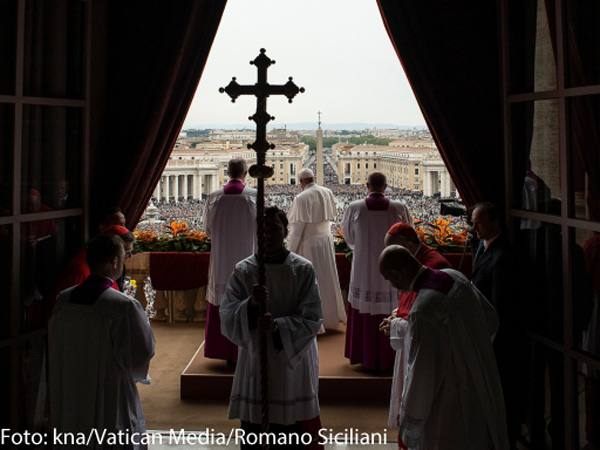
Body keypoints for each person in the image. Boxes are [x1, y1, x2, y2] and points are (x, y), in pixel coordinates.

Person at [379, 245, 509, 450]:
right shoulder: (455, 277)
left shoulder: (423, 311)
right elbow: (491, 318)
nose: (393, 286)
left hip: (450, 398)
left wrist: (408, 417)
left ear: (397, 273)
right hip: (481, 376)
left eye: (390, 279)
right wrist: (474, 352)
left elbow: (422, 376)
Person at [220, 207, 323, 449]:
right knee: (256, 430)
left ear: (286, 231)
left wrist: (278, 327)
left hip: (289, 362)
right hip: (256, 357)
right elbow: (226, 316)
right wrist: (251, 305)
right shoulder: (244, 270)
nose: (268, 234)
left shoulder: (302, 269)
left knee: (289, 433)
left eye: (275, 229)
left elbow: (313, 317)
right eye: (263, 229)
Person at [48, 234, 155, 449]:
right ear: (114, 261)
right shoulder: (122, 306)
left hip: (71, 384)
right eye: (123, 258)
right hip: (109, 388)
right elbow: (141, 352)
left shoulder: (64, 299)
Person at [379, 222, 451, 429]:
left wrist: (396, 325)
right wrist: (396, 315)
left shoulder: (434, 265)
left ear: (409, 245)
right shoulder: (416, 261)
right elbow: (410, 302)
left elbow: (426, 318)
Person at [341, 172, 413, 370]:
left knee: (365, 304)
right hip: (394, 267)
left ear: (367, 186)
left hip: (363, 268)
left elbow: (348, 237)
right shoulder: (400, 208)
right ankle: (391, 357)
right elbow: (409, 234)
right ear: (386, 186)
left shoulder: (354, 208)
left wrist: (363, 249)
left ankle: (365, 355)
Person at [470, 201, 521, 449]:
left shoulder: (502, 257)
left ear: (495, 223)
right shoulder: (483, 246)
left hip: (496, 341)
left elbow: (500, 308)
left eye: (478, 222)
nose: (473, 227)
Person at [202, 158, 257, 363]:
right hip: (248, 257)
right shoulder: (254, 197)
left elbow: (208, 230)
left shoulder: (214, 198)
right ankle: (245, 351)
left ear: (227, 173)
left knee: (223, 299)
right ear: (245, 174)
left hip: (222, 260)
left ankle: (223, 350)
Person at [287, 168, 345, 331]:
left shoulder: (301, 197)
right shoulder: (327, 192)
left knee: (311, 281)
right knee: (327, 278)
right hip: (326, 241)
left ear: (301, 182)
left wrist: (290, 249)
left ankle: (314, 322)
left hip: (309, 242)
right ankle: (330, 318)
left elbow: (298, 227)